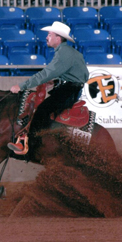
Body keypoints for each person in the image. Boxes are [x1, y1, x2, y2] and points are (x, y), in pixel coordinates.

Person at [7, 21, 89, 152]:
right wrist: (58, 81)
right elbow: (78, 74)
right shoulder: (67, 52)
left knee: (42, 110)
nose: (47, 37)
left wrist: (21, 86)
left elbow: (45, 74)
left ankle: (30, 144)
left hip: (69, 90)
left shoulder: (64, 53)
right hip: (68, 88)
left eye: (50, 35)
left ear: (58, 38)